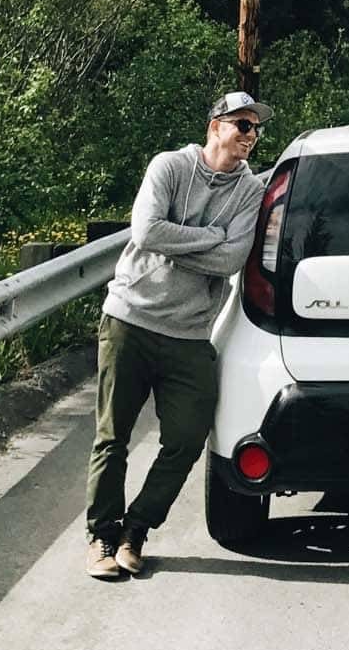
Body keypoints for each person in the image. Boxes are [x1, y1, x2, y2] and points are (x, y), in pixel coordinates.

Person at [84, 90, 272, 579]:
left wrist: (182, 242)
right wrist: (210, 237)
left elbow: (231, 260)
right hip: (130, 320)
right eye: (243, 125)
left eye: (256, 128)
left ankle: (136, 530)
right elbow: (146, 232)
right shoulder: (169, 167)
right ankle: (101, 536)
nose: (251, 136)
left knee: (187, 439)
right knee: (112, 437)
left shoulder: (250, 191)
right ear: (215, 126)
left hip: (189, 334)